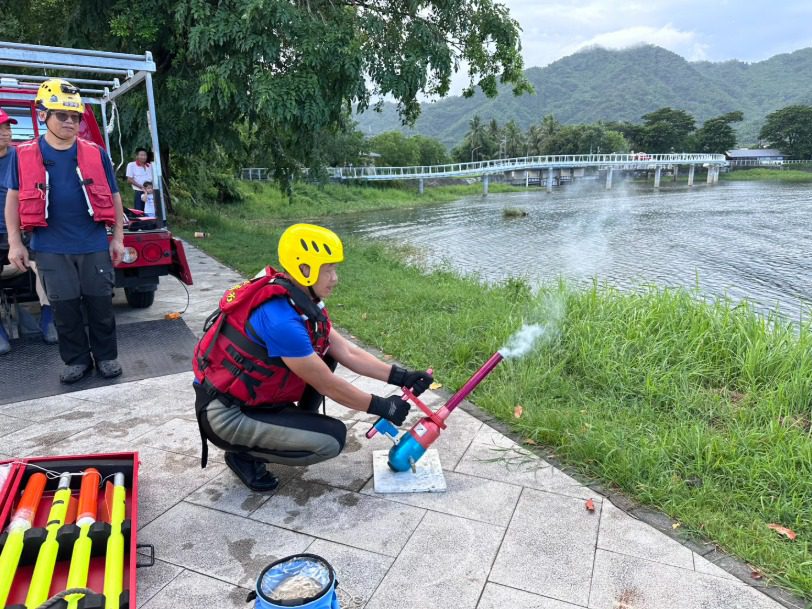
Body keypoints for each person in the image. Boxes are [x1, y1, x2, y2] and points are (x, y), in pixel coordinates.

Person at [193, 223, 433, 492]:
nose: (334, 277)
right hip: (226, 415)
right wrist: (381, 406)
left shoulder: (300, 299)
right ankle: (243, 454)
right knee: (331, 440)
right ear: (303, 268)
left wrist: (402, 376)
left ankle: (286, 427)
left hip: (254, 398)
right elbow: (327, 385)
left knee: (327, 355)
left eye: (334, 268)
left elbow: (346, 351)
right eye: (327, 269)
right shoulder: (281, 320)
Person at [4, 78, 125, 382]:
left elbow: (114, 197)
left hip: (93, 243)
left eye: (75, 116)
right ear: (42, 114)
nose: (70, 122)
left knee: (100, 305)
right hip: (50, 248)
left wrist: (118, 238)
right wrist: (15, 243)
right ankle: (76, 361)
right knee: (64, 308)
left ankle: (107, 357)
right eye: (62, 115)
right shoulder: (22, 154)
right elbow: (13, 200)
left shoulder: (96, 153)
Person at [0, 108, 57, 354]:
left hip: (23, 228)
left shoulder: (21, 156)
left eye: (7, 128)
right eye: (0, 129)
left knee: (46, 266)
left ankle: (49, 317)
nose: (5, 133)